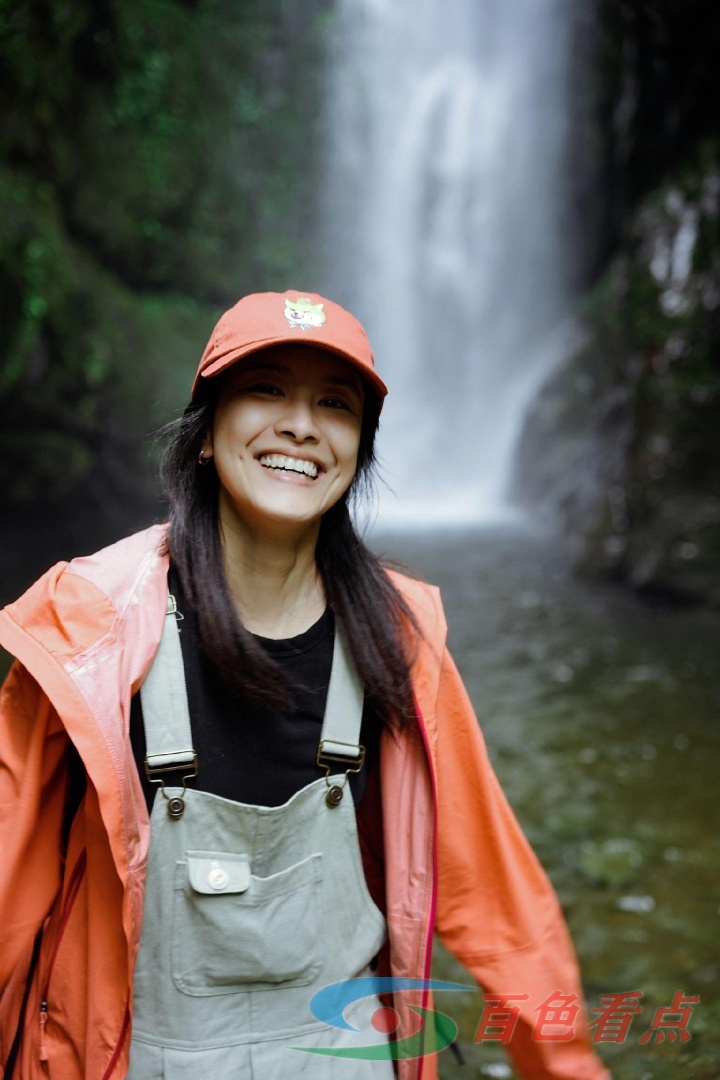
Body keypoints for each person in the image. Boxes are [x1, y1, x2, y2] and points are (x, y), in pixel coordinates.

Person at [0, 291, 610, 1080]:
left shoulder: (396, 640)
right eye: (266, 390)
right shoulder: (87, 631)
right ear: (206, 435)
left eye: (334, 404)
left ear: (358, 449)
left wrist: (566, 1067)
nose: (300, 424)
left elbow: (493, 895)